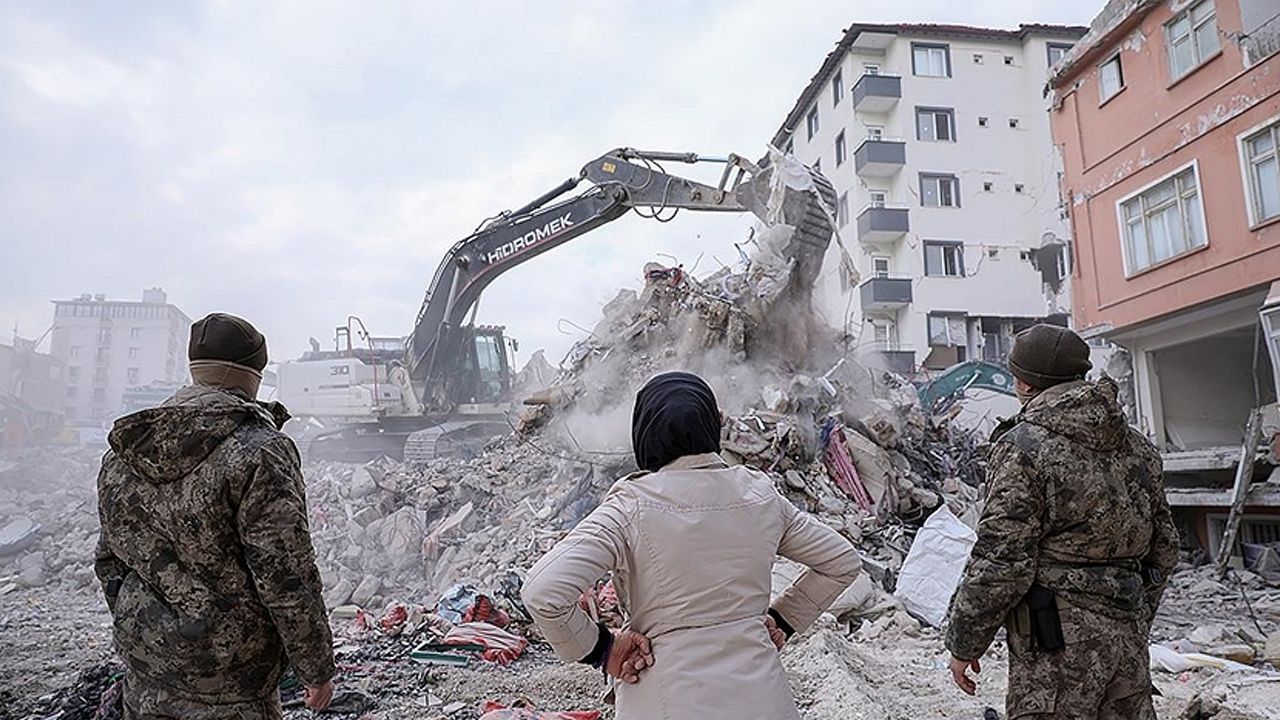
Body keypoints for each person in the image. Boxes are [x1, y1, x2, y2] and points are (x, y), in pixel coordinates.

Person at [522, 371, 862, 720]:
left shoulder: (630, 506)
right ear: (710, 426)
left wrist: (604, 650)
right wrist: (784, 619)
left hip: (666, 698)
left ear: (644, 432)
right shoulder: (761, 495)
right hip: (766, 700)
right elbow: (842, 561)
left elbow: (542, 591)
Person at [95, 313, 336, 719]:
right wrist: (316, 668)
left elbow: (109, 561)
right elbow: (284, 575)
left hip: (147, 671)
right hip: (232, 682)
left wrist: (143, 627)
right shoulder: (259, 451)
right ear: (252, 377)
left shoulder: (126, 451)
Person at [945, 324, 1179, 719]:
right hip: (1128, 641)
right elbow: (1166, 547)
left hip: (1055, 649)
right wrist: (1134, 616)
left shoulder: (1023, 447)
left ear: (1024, 383)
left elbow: (1002, 560)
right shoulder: (1138, 446)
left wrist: (965, 643)